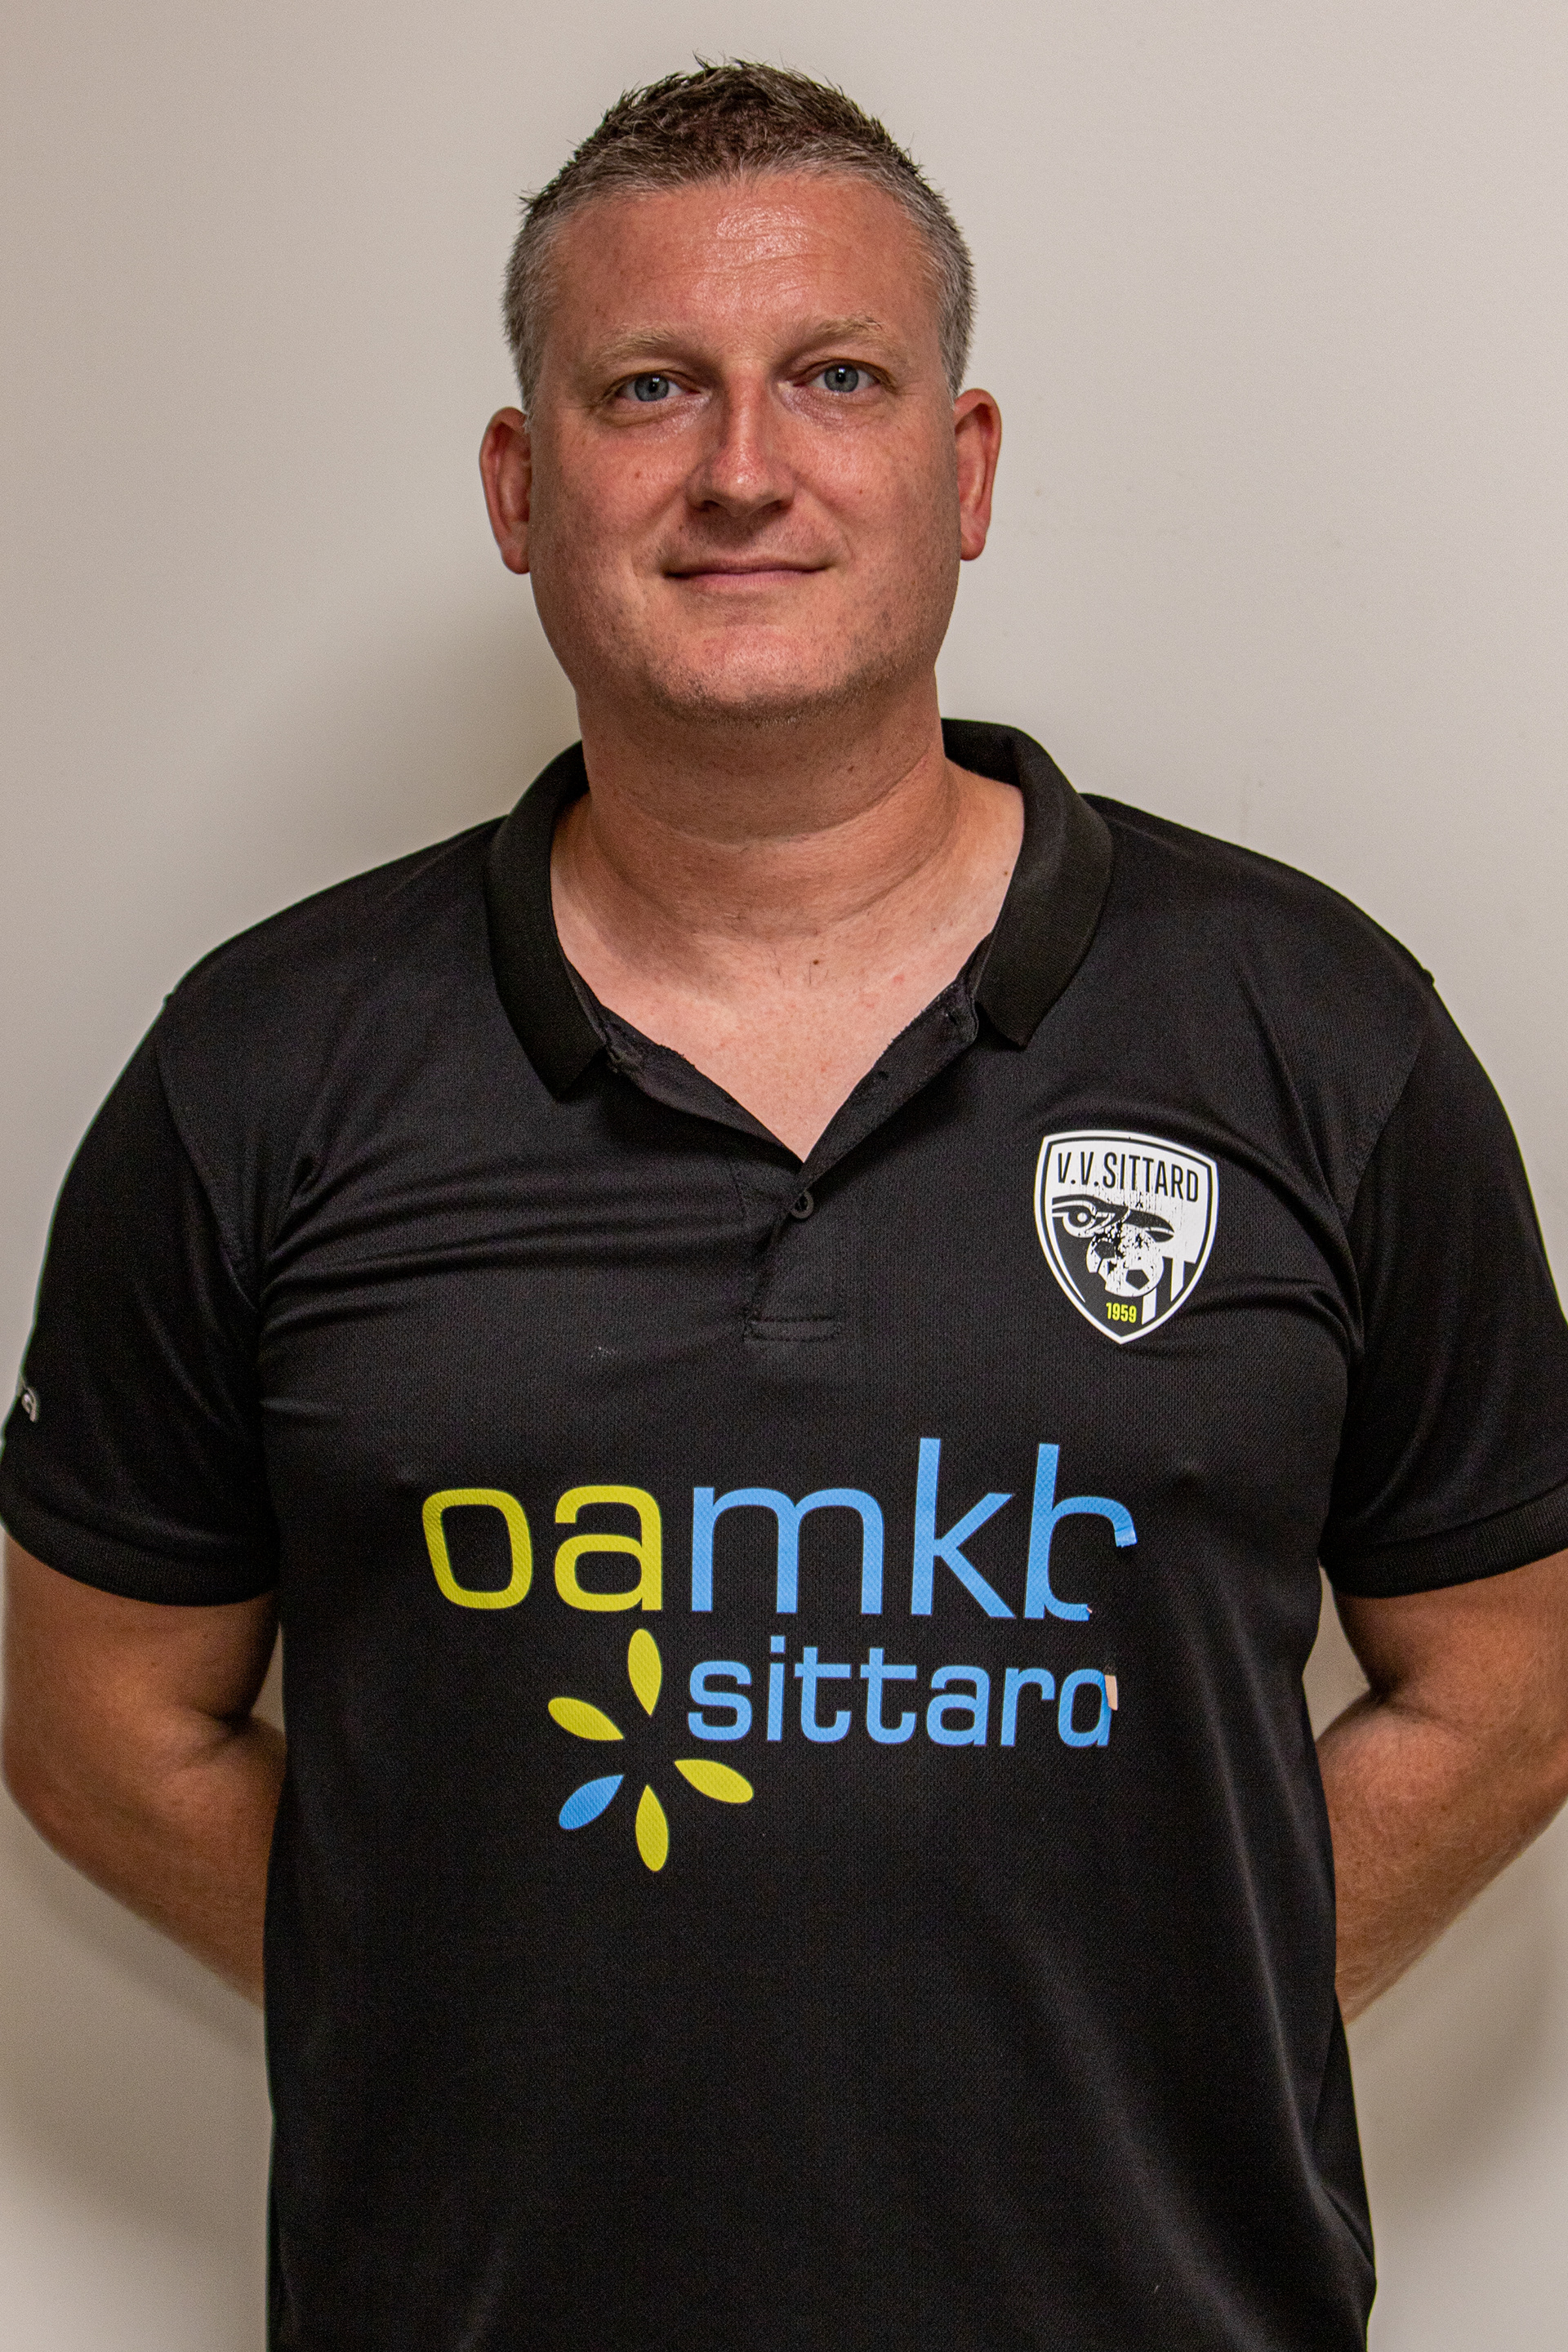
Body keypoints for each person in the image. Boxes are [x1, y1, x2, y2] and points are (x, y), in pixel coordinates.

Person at [4, 58, 1568, 2352]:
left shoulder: (1313, 1035)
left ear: (968, 466)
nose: (744, 466)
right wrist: (463, 1983)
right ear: (520, 487)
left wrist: (1172, 1990)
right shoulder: (263, 1069)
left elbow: (1518, 1676)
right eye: (652, 387)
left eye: (837, 376)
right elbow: (93, 1724)